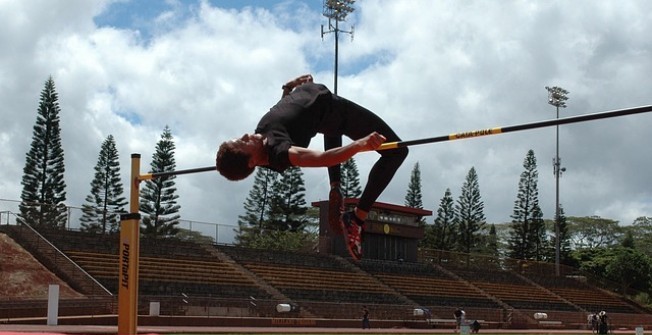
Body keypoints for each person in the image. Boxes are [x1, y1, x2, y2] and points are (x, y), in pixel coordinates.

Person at [216, 74, 408, 260]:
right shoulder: (280, 152)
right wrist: (360, 144)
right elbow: (323, 158)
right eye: (243, 142)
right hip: (334, 112)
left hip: (323, 115)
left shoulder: (262, 134)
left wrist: (290, 89)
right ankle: (357, 218)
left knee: (330, 126)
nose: (245, 135)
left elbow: (285, 111)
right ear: (251, 161)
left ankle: (335, 184)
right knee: (398, 151)